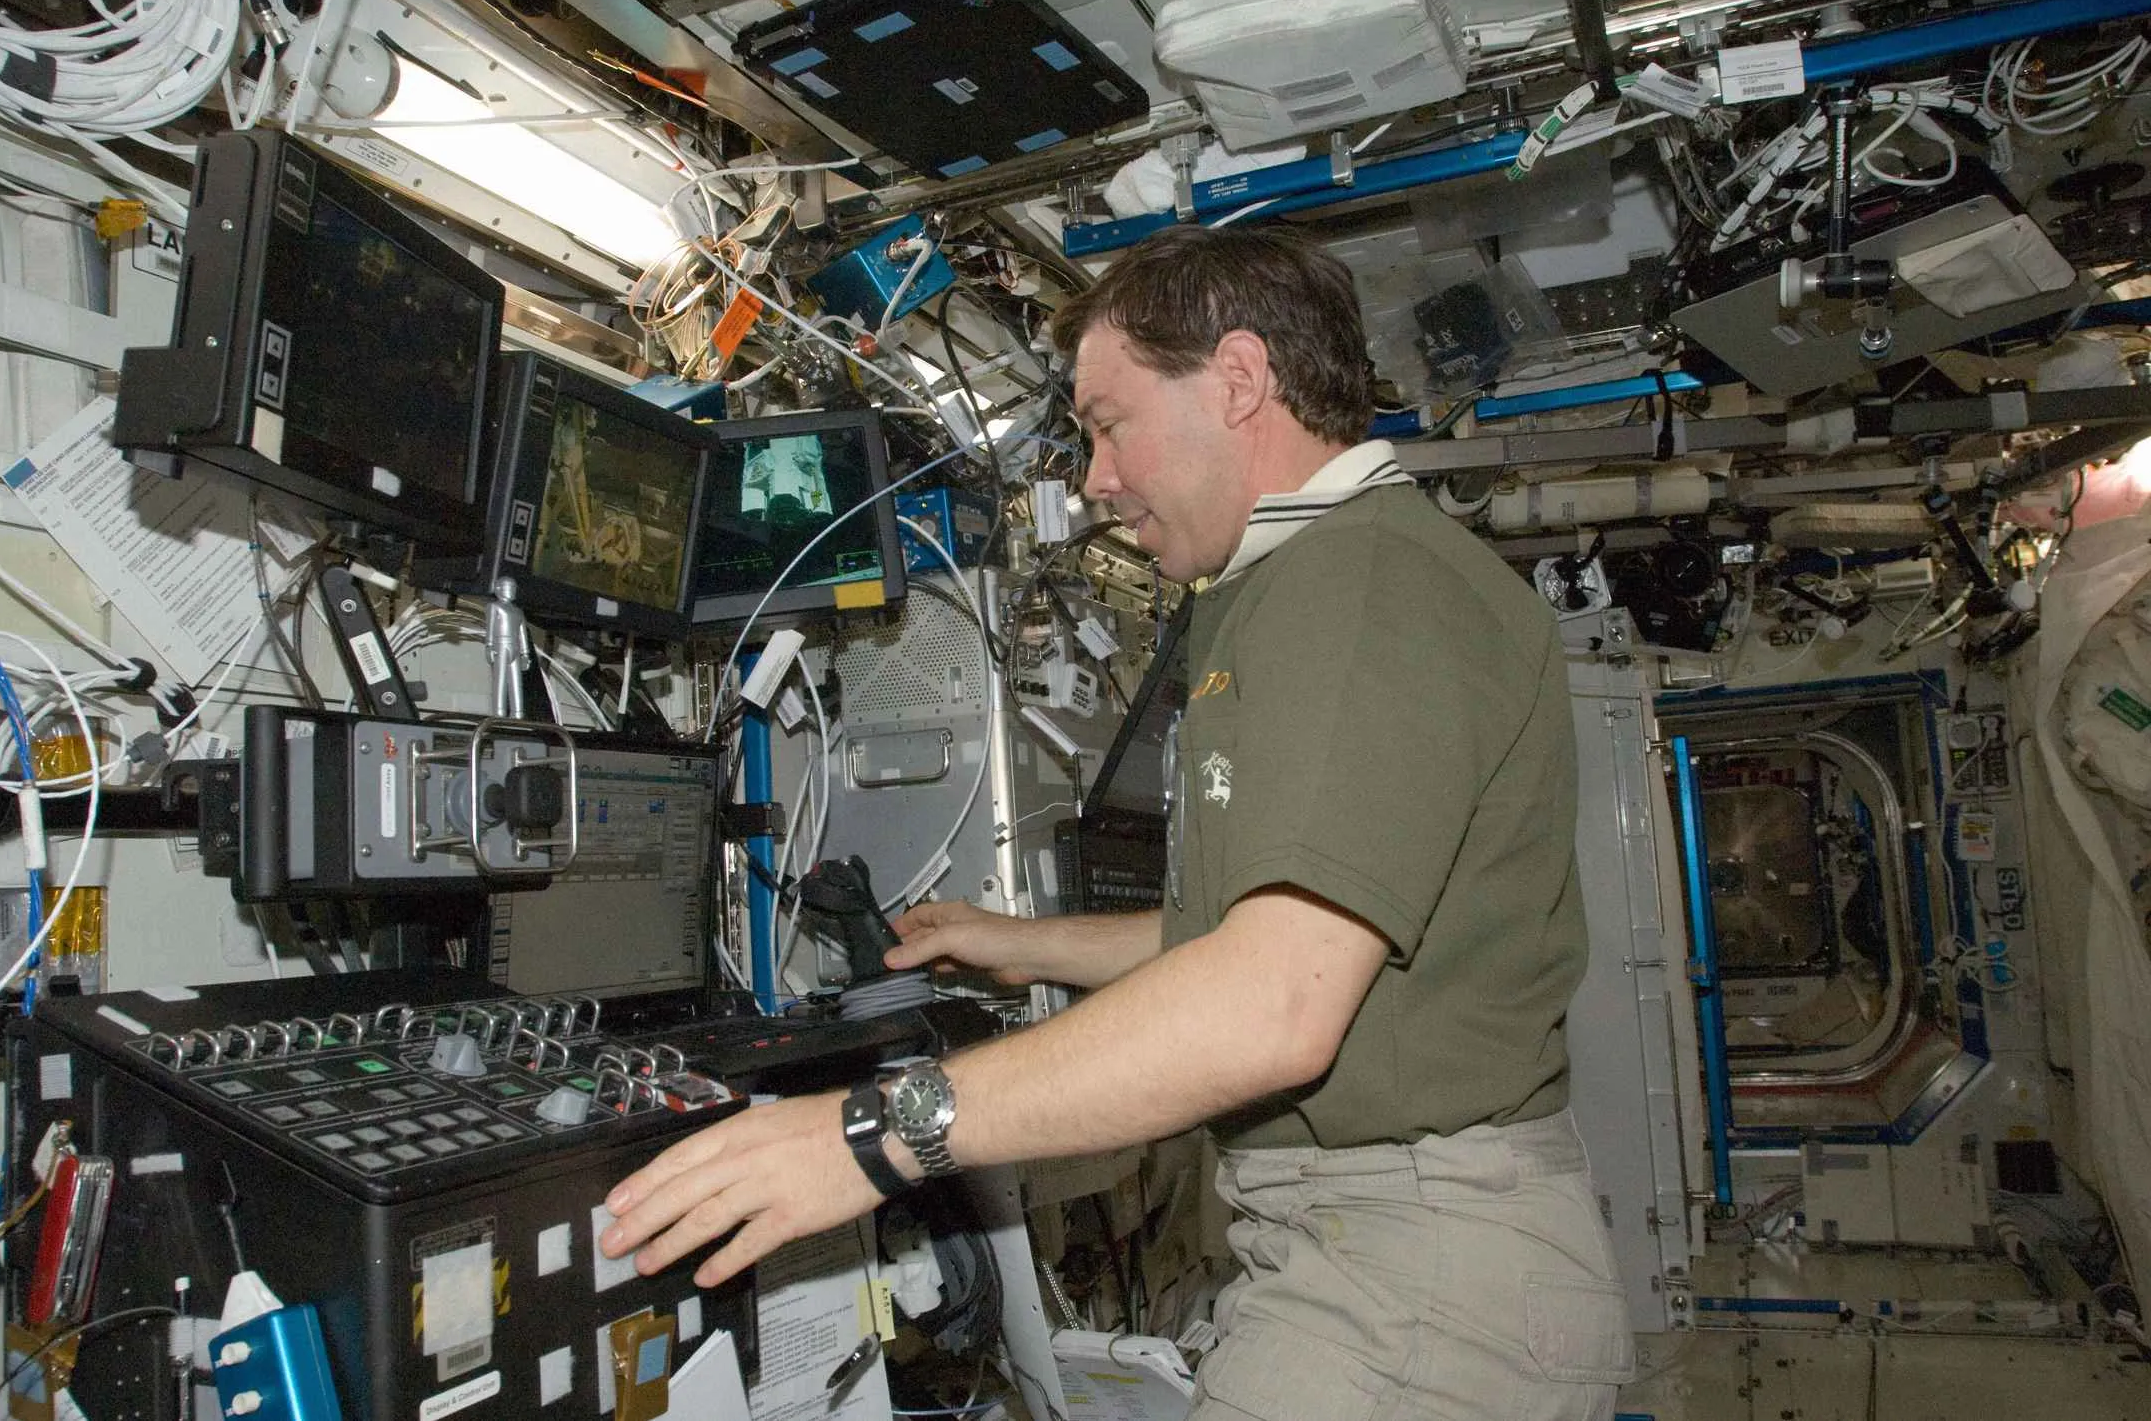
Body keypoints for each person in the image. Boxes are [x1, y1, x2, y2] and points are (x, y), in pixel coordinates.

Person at [597, 225, 1634, 1419]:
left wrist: (868, 1138)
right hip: (1397, 1254)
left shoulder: (1350, 583)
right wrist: (1014, 942)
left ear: (1238, 381)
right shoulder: (1332, 575)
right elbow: (1255, 933)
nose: (1092, 477)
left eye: (1107, 422)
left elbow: (1272, 1004)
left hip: (1409, 1282)